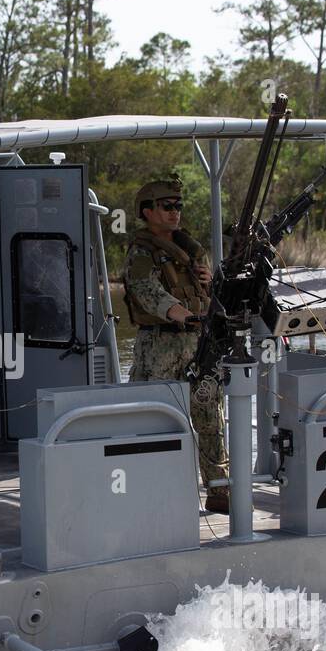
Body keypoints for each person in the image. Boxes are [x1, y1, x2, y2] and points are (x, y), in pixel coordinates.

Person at [123, 178, 230, 513]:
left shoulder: (193, 252)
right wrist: (184, 315)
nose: (174, 213)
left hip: (198, 344)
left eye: (178, 206)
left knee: (210, 417)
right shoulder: (141, 254)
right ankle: (153, 493)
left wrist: (209, 284)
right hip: (160, 347)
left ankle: (219, 491)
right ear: (147, 211)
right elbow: (149, 293)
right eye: (166, 207)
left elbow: (211, 295)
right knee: (156, 419)